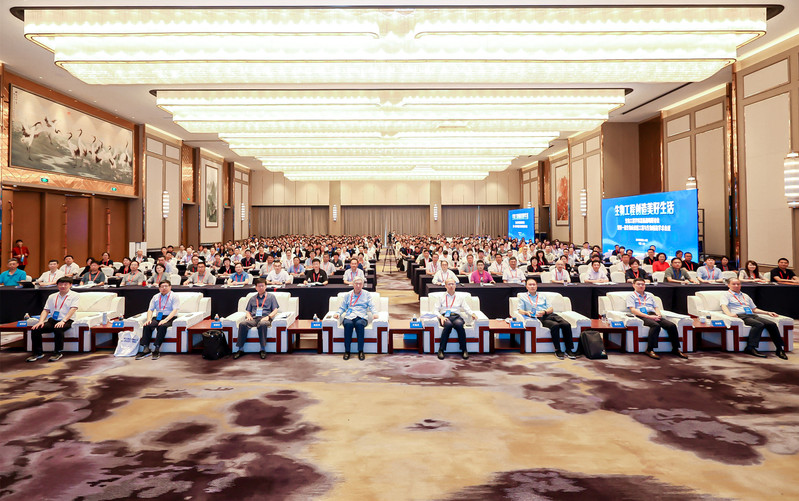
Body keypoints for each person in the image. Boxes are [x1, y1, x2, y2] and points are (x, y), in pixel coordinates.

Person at [720, 278, 787, 359]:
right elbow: (724, 306)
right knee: (758, 324)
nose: (736, 286)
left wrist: (767, 312)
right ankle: (751, 347)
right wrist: (729, 314)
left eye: (738, 284)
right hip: (740, 316)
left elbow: (754, 309)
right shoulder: (726, 295)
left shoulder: (745, 295)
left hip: (751, 315)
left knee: (771, 324)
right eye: (734, 284)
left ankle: (779, 349)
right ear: (729, 285)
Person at [626, 277, 687, 360]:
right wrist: (649, 317)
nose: (641, 286)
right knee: (655, 326)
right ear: (633, 285)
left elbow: (656, 307)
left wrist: (658, 315)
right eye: (638, 284)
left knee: (671, 325)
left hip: (653, 314)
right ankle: (650, 349)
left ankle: (676, 349)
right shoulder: (631, 296)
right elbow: (633, 310)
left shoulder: (650, 295)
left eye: (642, 284)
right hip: (642, 316)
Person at [517, 278, 577, 359]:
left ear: (536, 286)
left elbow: (551, 308)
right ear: (526, 286)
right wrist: (526, 312)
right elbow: (519, 310)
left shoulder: (543, 296)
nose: (532, 286)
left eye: (534, 284)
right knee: (555, 325)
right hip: (539, 318)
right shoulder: (523, 297)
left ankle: (569, 349)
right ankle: (558, 350)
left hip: (548, 314)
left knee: (566, 324)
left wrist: (545, 312)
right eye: (530, 285)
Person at [26, 277, 79, 362]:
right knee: (36, 329)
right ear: (57, 285)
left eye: (65, 284)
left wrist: (63, 321)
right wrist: (41, 321)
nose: (63, 286)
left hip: (67, 320)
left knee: (58, 328)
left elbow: (73, 309)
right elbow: (46, 310)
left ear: (70, 285)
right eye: (60, 284)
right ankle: (38, 353)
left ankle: (57, 352)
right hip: (53, 320)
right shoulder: (52, 296)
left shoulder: (75, 295)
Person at [332, 276, 378, 361]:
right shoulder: (348, 295)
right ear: (353, 284)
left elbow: (371, 306)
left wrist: (374, 313)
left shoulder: (367, 294)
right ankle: (347, 351)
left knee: (359, 324)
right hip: (349, 316)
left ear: (362, 285)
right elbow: (342, 307)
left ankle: (360, 351)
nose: (358, 286)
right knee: (348, 324)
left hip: (361, 316)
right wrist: (338, 313)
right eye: (356, 284)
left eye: (360, 284)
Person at [233, 278, 280, 359]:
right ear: (256, 287)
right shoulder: (252, 298)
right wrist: (248, 316)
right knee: (242, 324)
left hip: (265, 318)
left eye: (262, 286)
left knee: (262, 324)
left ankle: (262, 349)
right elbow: (248, 311)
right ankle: (240, 349)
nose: (261, 288)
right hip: (254, 319)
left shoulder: (271, 297)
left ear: (265, 286)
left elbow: (275, 310)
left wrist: (268, 317)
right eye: (259, 286)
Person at [434, 277, 478, 360]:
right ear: (445, 286)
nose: (451, 286)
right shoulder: (441, 297)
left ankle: (464, 349)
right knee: (448, 325)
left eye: (452, 284)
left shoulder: (460, 297)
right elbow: (435, 310)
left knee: (459, 324)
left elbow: (466, 308)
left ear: (455, 285)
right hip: (445, 316)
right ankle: (441, 350)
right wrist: (441, 317)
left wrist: (472, 314)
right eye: (449, 284)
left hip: (456, 316)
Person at [136, 280, 180, 360]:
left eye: (166, 286)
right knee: (147, 326)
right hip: (158, 317)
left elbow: (175, 310)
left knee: (162, 326)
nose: (164, 288)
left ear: (170, 287)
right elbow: (150, 309)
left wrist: (166, 320)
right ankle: (146, 349)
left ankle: (156, 349)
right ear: (159, 288)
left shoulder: (174, 296)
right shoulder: (155, 297)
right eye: (162, 287)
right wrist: (148, 319)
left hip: (169, 317)